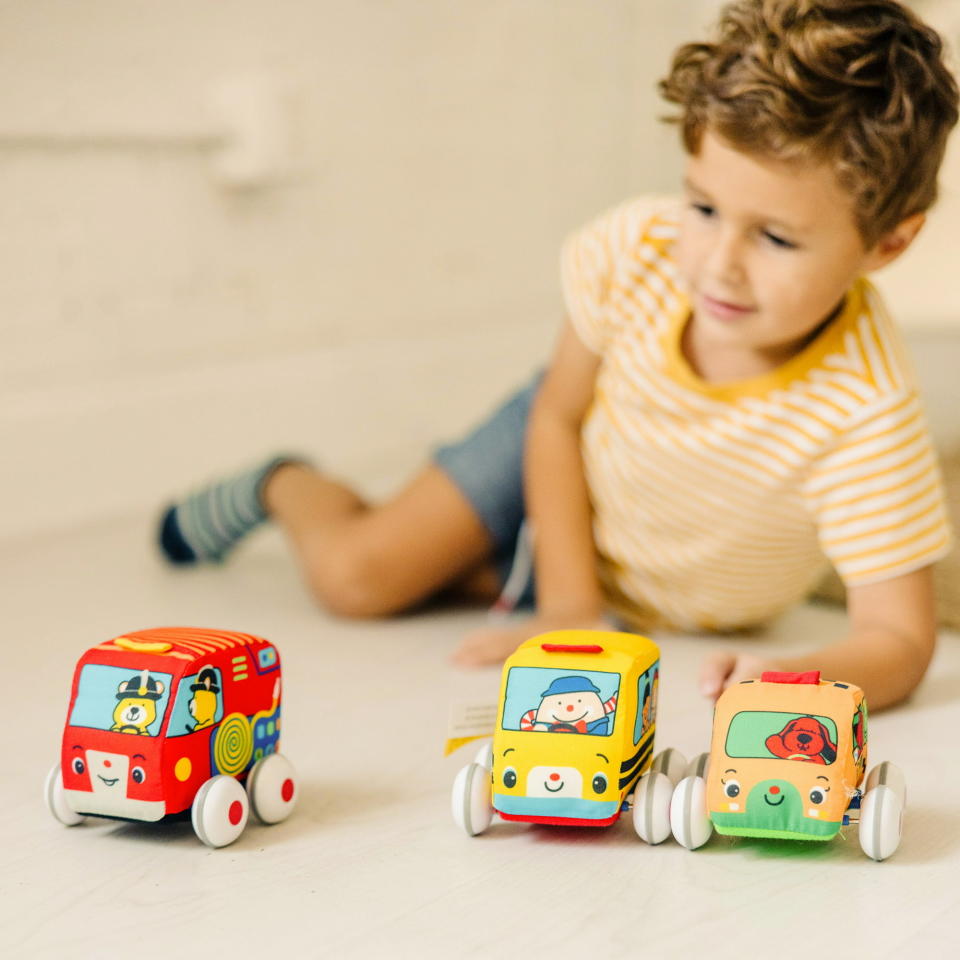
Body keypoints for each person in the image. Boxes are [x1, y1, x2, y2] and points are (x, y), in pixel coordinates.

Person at [157, 0, 958, 710]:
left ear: (888, 241)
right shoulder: (633, 254)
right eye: (704, 207)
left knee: (442, 585)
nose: (718, 263)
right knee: (359, 580)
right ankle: (284, 484)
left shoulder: (865, 410)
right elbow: (557, 414)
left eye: (776, 237)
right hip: (561, 448)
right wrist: (570, 612)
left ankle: (507, 573)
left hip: (645, 576)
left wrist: (797, 683)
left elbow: (898, 641)